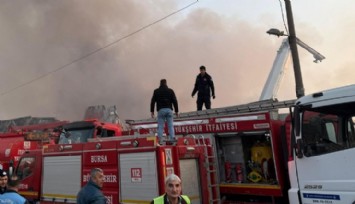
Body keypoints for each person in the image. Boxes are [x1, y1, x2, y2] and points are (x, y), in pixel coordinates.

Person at [150, 79, 179, 145]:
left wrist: (152, 111)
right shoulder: (170, 91)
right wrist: (176, 111)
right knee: (170, 126)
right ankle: (172, 139)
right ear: (166, 83)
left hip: (161, 110)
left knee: (160, 126)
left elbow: (153, 102)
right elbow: (175, 101)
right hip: (169, 110)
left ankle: (160, 140)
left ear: (160, 84)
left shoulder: (156, 91)